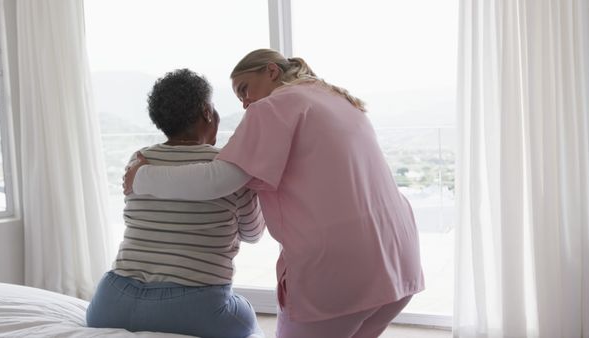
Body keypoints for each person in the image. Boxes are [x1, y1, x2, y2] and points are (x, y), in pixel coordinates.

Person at [124, 49, 424, 338]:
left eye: (244, 89)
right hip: (398, 259)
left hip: (342, 272)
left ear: (271, 71)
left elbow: (217, 180)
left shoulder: (274, 106)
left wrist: (141, 177)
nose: (245, 103)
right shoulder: (337, 99)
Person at [87, 69, 266, 338]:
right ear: (207, 111)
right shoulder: (227, 169)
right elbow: (252, 234)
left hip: (110, 302)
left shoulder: (139, 161)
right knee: (247, 318)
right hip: (192, 306)